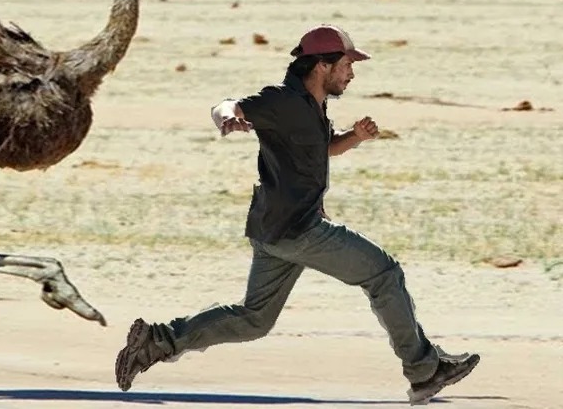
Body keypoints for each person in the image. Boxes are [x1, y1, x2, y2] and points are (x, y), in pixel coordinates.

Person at [113, 24, 480, 405]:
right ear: (322, 66)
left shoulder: (312, 104)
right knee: (384, 274)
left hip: (273, 230)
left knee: (254, 319)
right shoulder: (283, 101)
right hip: (300, 230)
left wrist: (355, 136)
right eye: (346, 65)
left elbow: (322, 150)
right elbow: (225, 106)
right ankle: (424, 371)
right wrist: (226, 119)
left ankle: (157, 341)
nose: (351, 73)